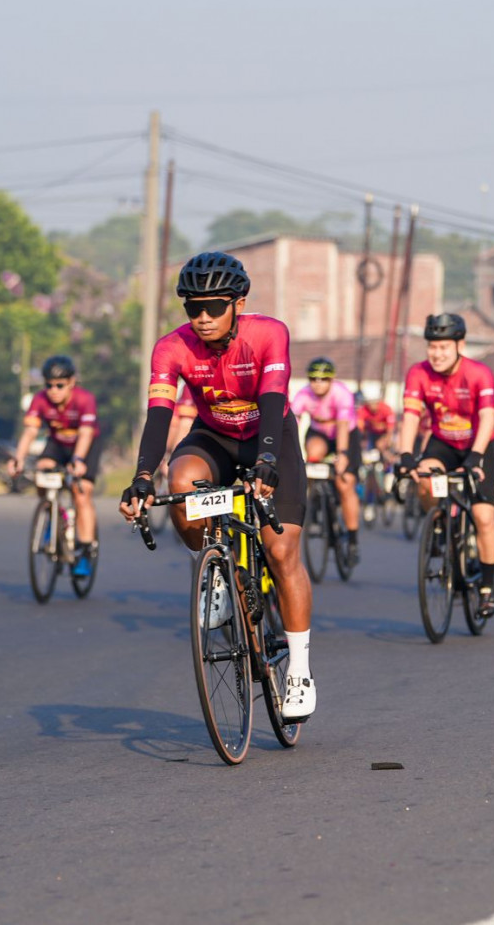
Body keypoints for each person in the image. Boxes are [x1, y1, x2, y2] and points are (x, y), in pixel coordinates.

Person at [118, 252, 317, 721]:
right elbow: (159, 416)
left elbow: (273, 400)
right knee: (180, 482)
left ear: (238, 304)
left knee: (282, 552)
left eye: (213, 307)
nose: (203, 317)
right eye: (193, 308)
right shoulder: (171, 347)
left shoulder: (268, 334)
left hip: (270, 436)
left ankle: (300, 670)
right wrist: (142, 477)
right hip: (214, 438)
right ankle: (214, 572)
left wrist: (268, 461)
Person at [395, 312, 494, 614]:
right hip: (443, 442)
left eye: (444, 347)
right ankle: (440, 524)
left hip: (479, 444)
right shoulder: (418, 373)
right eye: (432, 347)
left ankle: (487, 588)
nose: (437, 354)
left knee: (483, 517)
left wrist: (476, 456)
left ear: (460, 346)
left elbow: (487, 417)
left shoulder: (479, 373)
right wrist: (405, 455)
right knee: (424, 477)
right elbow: (411, 416)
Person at [11, 356, 101, 578]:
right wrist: (18, 458)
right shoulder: (40, 400)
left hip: (85, 445)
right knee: (42, 471)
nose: (53, 390)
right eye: (49, 385)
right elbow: (30, 431)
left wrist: (78, 460)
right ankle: (53, 512)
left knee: (81, 493)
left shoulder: (84, 399)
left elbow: (86, 433)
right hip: (58, 443)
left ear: (71, 382)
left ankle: (85, 550)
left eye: (60, 385)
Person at [289, 356, 361, 564]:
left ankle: (353, 538)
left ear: (332, 379)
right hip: (319, 434)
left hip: (345, 435)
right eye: (313, 378)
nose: (318, 383)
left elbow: (342, 426)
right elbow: (293, 423)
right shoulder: (304, 394)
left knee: (345, 482)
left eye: (323, 379)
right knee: (313, 453)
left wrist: (343, 455)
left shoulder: (341, 393)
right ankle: (316, 501)